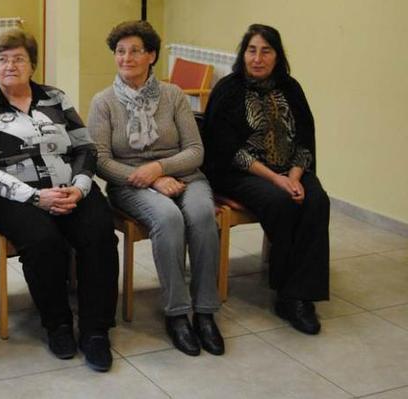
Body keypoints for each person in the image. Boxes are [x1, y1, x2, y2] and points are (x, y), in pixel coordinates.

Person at [0, 28, 118, 372]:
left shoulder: (55, 98)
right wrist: (35, 197)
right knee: (43, 240)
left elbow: (85, 147)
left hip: (68, 188)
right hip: (13, 196)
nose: (10, 65)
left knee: (100, 233)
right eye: (2, 59)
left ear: (33, 64)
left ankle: (95, 330)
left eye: (19, 58)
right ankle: (58, 323)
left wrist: (78, 187)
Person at [88, 20, 224, 357]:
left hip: (185, 175)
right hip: (129, 182)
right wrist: (148, 178)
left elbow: (195, 150)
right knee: (168, 218)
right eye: (120, 51)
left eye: (135, 50)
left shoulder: (173, 95)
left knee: (202, 214)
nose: (126, 57)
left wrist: (160, 168)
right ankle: (177, 313)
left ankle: (205, 311)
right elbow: (101, 161)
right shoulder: (103, 102)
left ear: (151, 56)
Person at [202, 23, 329, 335]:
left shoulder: (291, 88)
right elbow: (227, 149)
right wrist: (278, 179)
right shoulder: (229, 89)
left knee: (317, 201)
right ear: (243, 54)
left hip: (292, 169)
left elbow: (305, 139)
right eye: (251, 50)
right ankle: (289, 293)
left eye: (266, 51)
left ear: (277, 56)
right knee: (280, 201)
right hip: (241, 172)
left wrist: (296, 176)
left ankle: (300, 293)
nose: (257, 58)